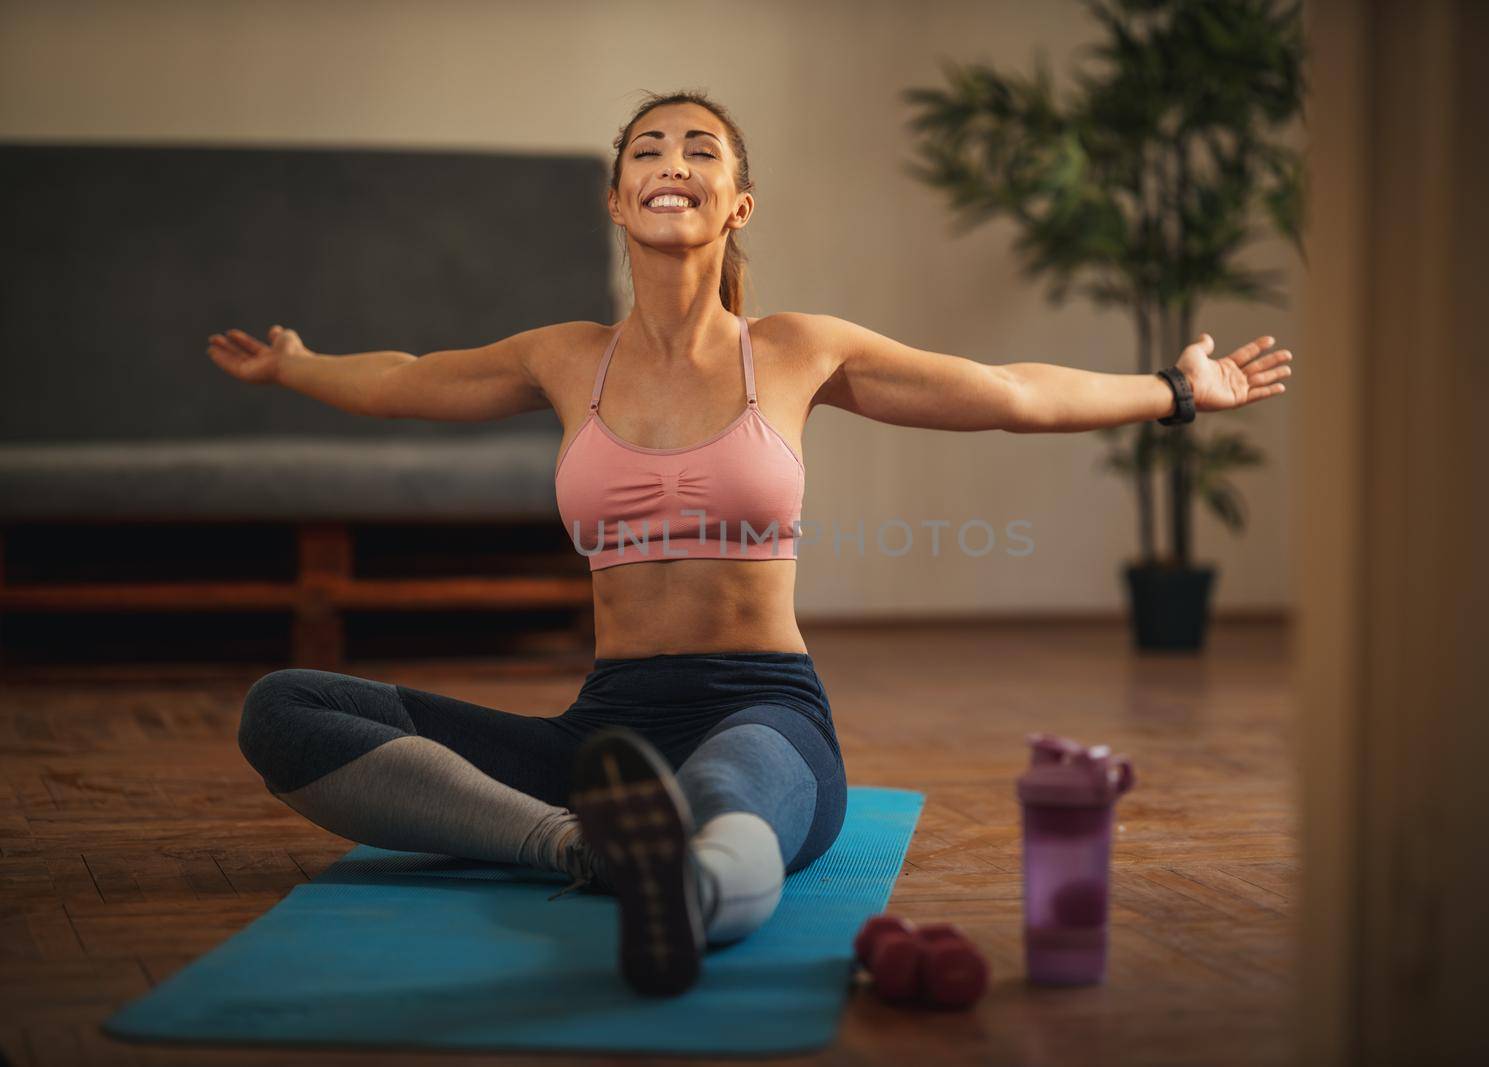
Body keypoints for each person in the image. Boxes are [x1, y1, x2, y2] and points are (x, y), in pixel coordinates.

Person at [210, 89, 1292, 998]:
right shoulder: (562, 356)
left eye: (699, 150)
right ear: (617, 197)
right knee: (285, 707)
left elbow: (1007, 390)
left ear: (737, 204)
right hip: (606, 733)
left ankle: (677, 893)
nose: (670, 162)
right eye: (647, 148)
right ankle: (586, 847)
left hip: (764, 708)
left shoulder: (795, 351)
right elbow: (405, 376)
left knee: (729, 797)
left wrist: (1174, 391)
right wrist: (296, 365)